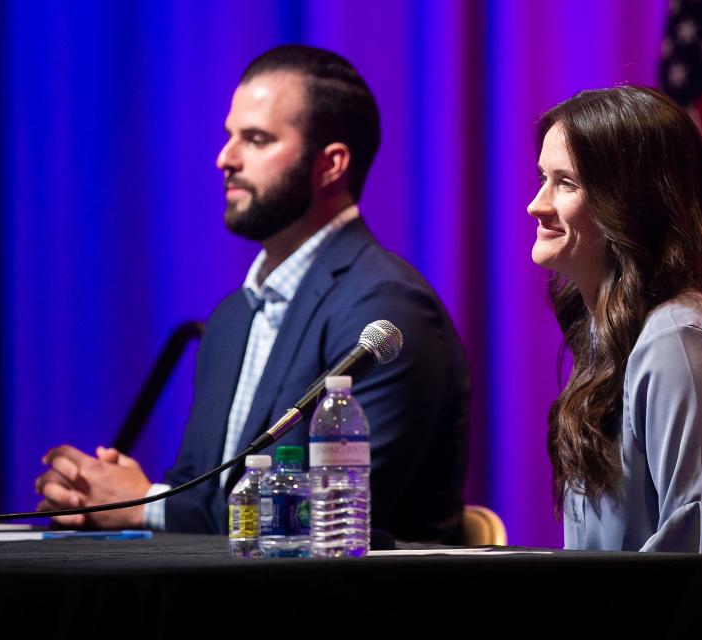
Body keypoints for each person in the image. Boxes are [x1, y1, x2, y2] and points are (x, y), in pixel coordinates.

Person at [34, 45, 470, 544]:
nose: (225, 159)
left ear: (330, 165)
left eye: (256, 140)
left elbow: (331, 519)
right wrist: (108, 497)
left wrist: (144, 507)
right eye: (229, 137)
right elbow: (203, 498)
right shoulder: (231, 318)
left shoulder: (385, 310)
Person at [527, 86, 702, 639]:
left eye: (566, 184)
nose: (537, 203)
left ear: (630, 203)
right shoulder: (618, 337)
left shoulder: (679, 341)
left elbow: (692, 581)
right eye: (542, 178)